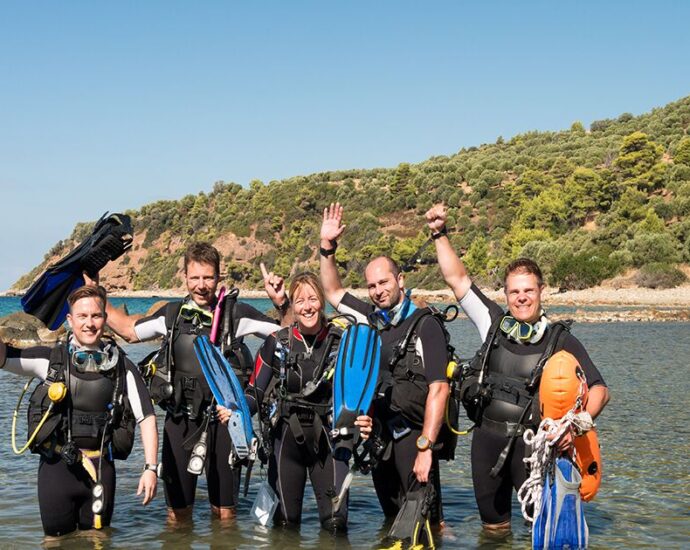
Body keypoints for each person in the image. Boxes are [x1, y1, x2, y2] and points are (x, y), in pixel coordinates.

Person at [425, 204, 610, 535]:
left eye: (528, 290)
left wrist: (577, 426)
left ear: (541, 291)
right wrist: (439, 233)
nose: (521, 298)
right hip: (486, 443)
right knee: (493, 531)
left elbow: (599, 389)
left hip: (534, 449)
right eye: (514, 291)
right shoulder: (493, 324)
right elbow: (457, 279)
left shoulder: (560, 340)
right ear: (506, 295)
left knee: (538, 530)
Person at [94, 242, 288, 523]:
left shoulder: (237, 315)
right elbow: (128, 331)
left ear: (219, 277)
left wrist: (281, 303)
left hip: (224, 424)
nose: (201, 285)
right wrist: (99, 295)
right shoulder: (171, 316)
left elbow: (288, 334)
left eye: (208, 277)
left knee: (225, 515)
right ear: (184, 278)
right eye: (194, 277)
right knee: (176, 515)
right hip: (179, 422)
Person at [318, 203, 450, 527]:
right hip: (380, 441)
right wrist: (327, 247)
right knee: (393, 522)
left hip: (414, 439)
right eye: (372, 286)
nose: (378, 291)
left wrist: (426, 447)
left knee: (426, 525)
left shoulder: (425, 325)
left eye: (384, 282)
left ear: (400, 280)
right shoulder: (370, 319)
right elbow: (333, 290)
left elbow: (440, 389)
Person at [218, 271, 372, 532]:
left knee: (336, 525)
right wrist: (235, 411)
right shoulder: (277, 343)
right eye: (300, 301)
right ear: (293, 305)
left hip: (330, 442)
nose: (307, 307)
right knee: (285, 527)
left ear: (322, 301)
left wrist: (366, 420)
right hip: (286, 442)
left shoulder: (341, 342)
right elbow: (254, 391)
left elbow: (360, 392)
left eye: (313, 299)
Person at [0, 285, 158, 538]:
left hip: (101, 470)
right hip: (57, 470)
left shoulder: (123, 367)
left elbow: (147, 418)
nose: (89, 324)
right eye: (82, 317)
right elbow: (4, 358)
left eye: (96, 316)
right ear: (70, 320)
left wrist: (150, 468)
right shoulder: (51, 360)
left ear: (105, 320)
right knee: (54, 542)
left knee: (98, 540)